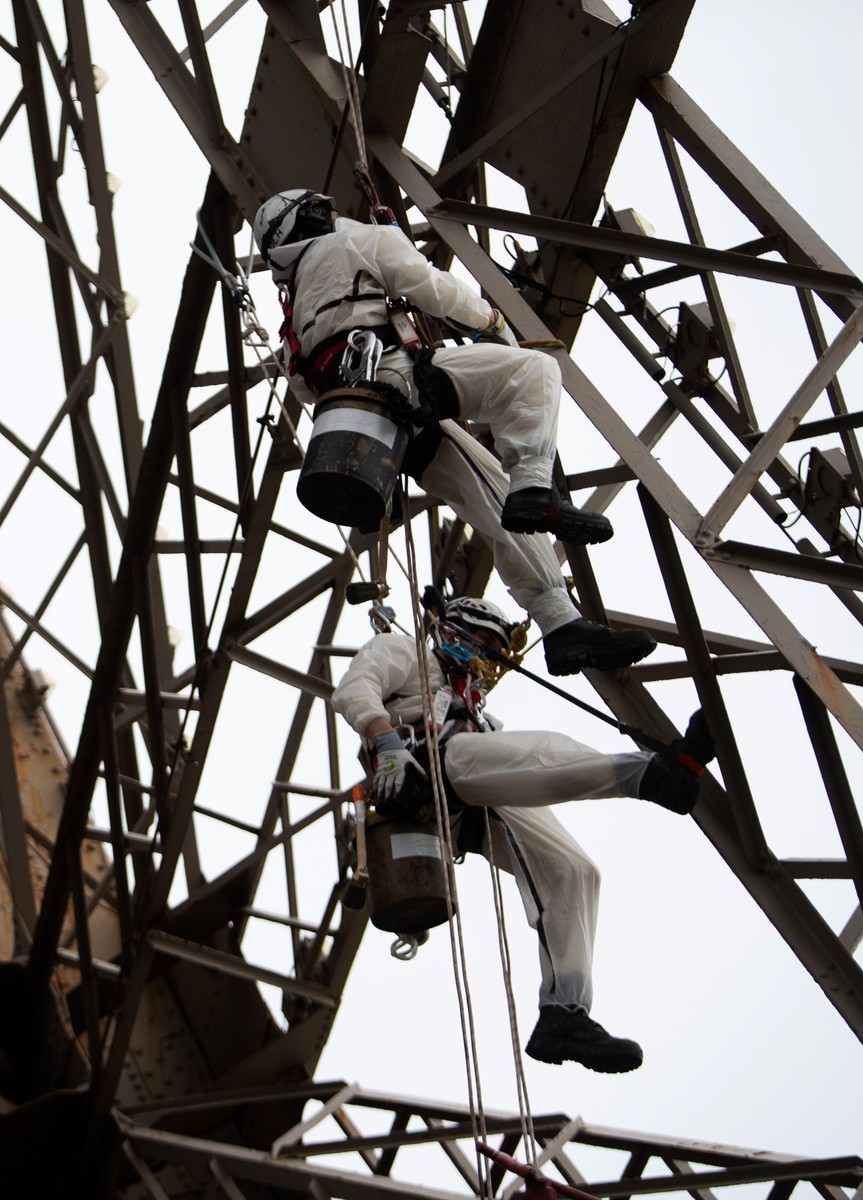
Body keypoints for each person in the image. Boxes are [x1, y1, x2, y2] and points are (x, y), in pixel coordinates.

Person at [254, 188, 653, 676]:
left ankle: (560, 623)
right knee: (534, 373)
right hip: (402, 383)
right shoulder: (354, 243)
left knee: (493, 497)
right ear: (315, 215)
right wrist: (491, 323)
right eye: (330, 209)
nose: (339, 213)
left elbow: (302, 387)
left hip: (376, 430)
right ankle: (535, 487)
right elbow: (433, 288)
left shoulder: (294, 311)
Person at [331, 593, 715, 1072]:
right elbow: (353, 690)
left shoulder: (479, 710)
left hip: (469, 794)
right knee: (541, 750)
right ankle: (652, 774)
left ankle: (564, 1012)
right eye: (486, 642)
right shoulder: (408, 653)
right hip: (422, 774)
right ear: (455, 627)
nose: (488, 656)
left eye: (497, 648)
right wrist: (385, 741)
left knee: (575, 871)